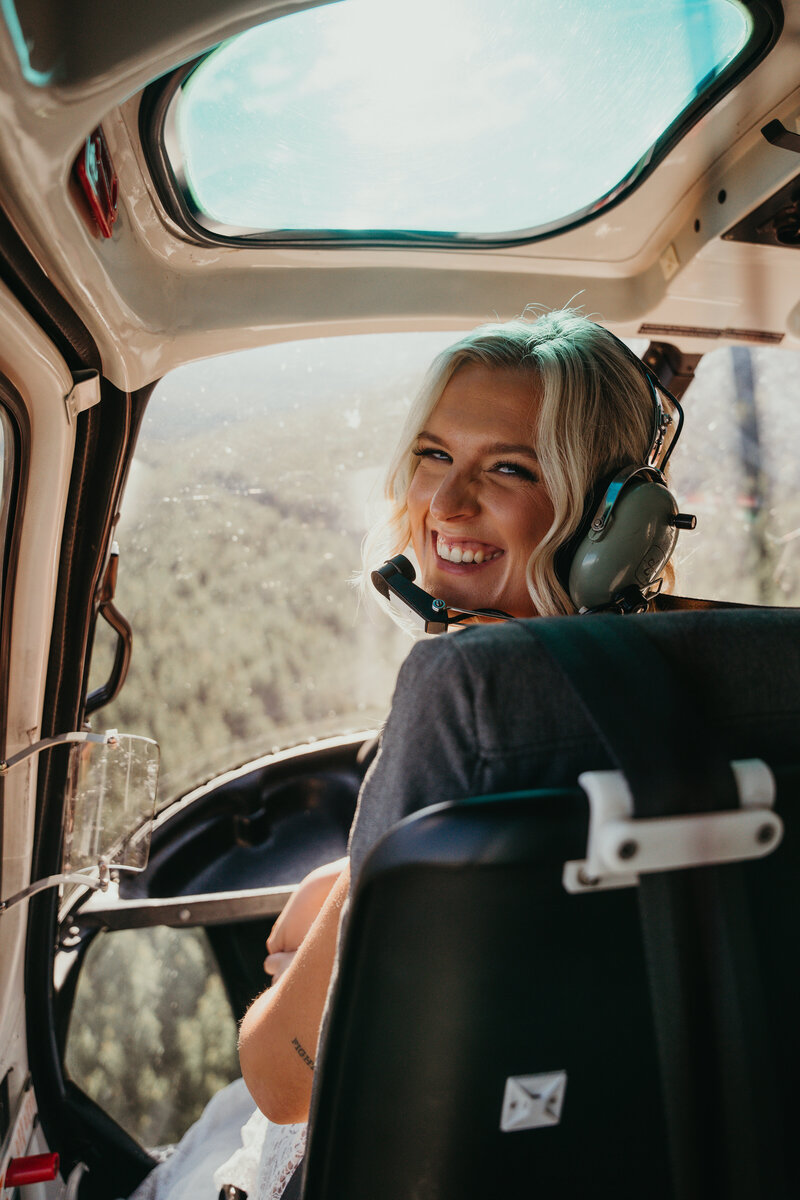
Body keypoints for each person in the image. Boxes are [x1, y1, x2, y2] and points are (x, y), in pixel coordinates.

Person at [128, 308, 677, 1199]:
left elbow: (282, 1076)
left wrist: (330, 934)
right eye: (433, 455)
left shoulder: (462, 706)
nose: (447, 505)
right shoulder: (688, 684)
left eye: (508, 468)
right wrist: (354, 886)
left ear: (614, 520)